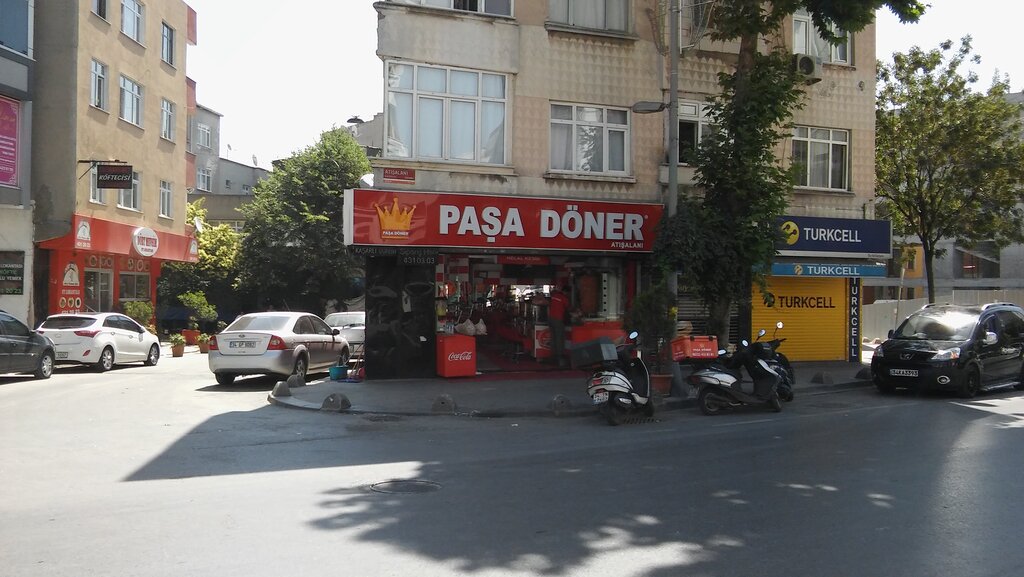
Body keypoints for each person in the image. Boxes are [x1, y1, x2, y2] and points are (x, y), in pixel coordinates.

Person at [547, 285, 570, 367]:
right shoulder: (564, 298)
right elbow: (568, 308)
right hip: (558, 319)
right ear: (566, 292)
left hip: (550, 319)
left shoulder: (554, 296)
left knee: (553, 337)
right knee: (559, 338)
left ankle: (553, 356)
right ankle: (560, 357)